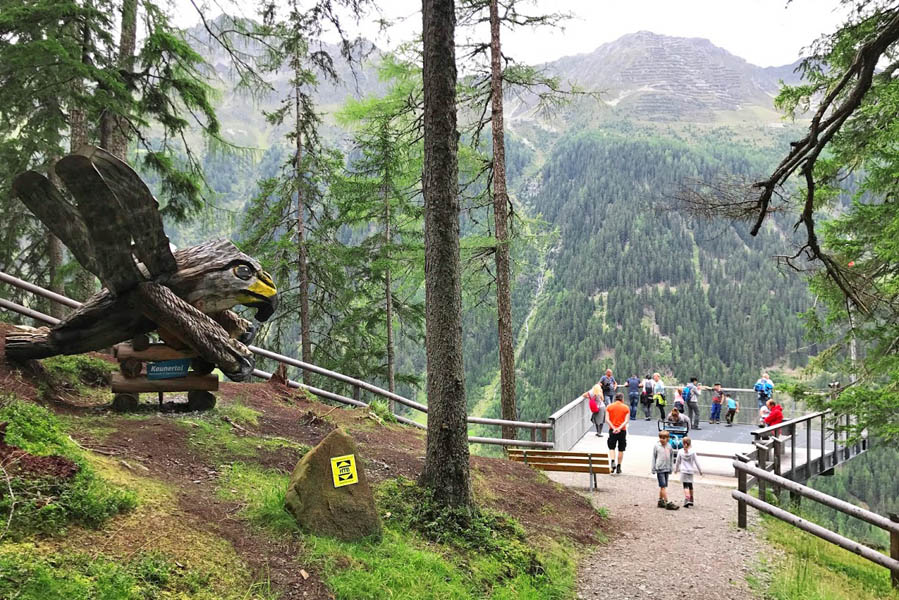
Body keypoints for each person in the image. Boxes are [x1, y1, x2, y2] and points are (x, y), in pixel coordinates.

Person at [652, 430, 679, 510]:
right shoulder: (657, 446)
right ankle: (667, 502)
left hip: (667, 468)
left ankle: (660, 501)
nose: (662, 439)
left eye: (664, 438)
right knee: (663, 486)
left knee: (663, 486)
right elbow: (654, 457)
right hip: (660, 468)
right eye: (660, 437)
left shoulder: (669, 446)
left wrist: (671, 468)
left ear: (668, 438)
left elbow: (671, 458)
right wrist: (653, 468)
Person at [674, 436, 703, 507]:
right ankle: (691, 499)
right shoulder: (693, 452)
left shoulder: (680, 451)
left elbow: (677, 461)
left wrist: (676, 469)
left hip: (684, 471)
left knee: (685, 486)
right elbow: (696, 462)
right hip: (690, 471)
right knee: (690, 485)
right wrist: (700, 471)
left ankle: (687, 498)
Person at [606, 393, 630, 474]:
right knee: (621, 449)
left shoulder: (609, 407)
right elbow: (626, 421)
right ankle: (619, 466)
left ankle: (612, 461)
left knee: (611, 447)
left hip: (612, 430)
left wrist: (614, 428)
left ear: (615, 398)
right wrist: (619, 428)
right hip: (622, 431)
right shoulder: (626, 408)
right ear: (622, 399)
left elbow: (607, 420)